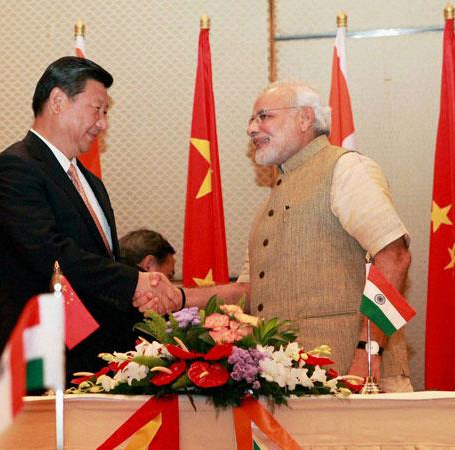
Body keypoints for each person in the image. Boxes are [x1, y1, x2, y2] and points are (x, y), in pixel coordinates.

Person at [136, 80, 412, 392]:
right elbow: (249, 292)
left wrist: (368, 351)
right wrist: (180, 297)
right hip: (291, 383)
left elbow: (395, 257)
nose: (251, 129)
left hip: (356, 378)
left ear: (305, 118)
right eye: (251, 120)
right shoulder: (270, 202)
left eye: (264, 116)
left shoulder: (346, 168)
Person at [0, 57, 177, 396]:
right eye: (97, 109)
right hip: (36, 361)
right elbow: (50, 254)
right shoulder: (15, 168)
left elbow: (103, 264)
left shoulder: (92, 184)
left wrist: (148, 285)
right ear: (58, 101)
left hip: (91, 364)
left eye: (106, 112)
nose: (103, 124)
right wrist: (134, 282)